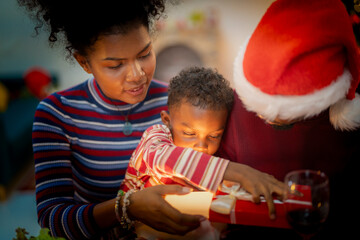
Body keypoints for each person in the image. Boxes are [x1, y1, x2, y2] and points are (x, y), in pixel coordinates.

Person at [18, 0, 207, 239]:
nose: (137, 75)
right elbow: (53, 219)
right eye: (116, 65)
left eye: (145, 54)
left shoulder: (179, 103)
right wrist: (126, 207)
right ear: (84, 62)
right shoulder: (57, 113)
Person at [216, 0, 360, 239]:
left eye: (283, 111)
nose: (264, 115)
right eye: (257, 103)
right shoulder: (233, 107)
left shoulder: (347, 123)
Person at [120, 66, 285, 239]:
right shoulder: (156, 138)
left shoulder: (212, 162)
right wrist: (240, 172)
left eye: (214, 136)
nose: (201, 146)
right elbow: (164, 158)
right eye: (190, 134)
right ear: (167, 121)